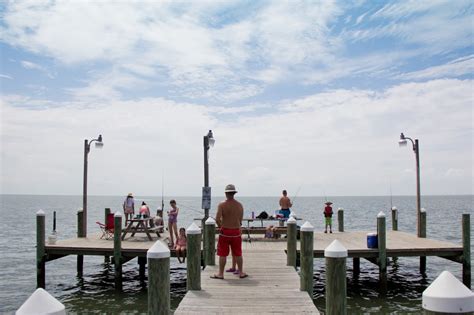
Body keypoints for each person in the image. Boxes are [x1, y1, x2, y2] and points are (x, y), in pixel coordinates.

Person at [211, 184, 248, 279]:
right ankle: (241, 273)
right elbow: (240, 220)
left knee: (222, 254)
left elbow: (217, 219)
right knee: (238, 253)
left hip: (225, 232)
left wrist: (220, 226)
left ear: (226, 193)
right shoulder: (239, 205)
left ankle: (221, 274)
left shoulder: (222, 204)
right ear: (234, 193)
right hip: (236, 232)